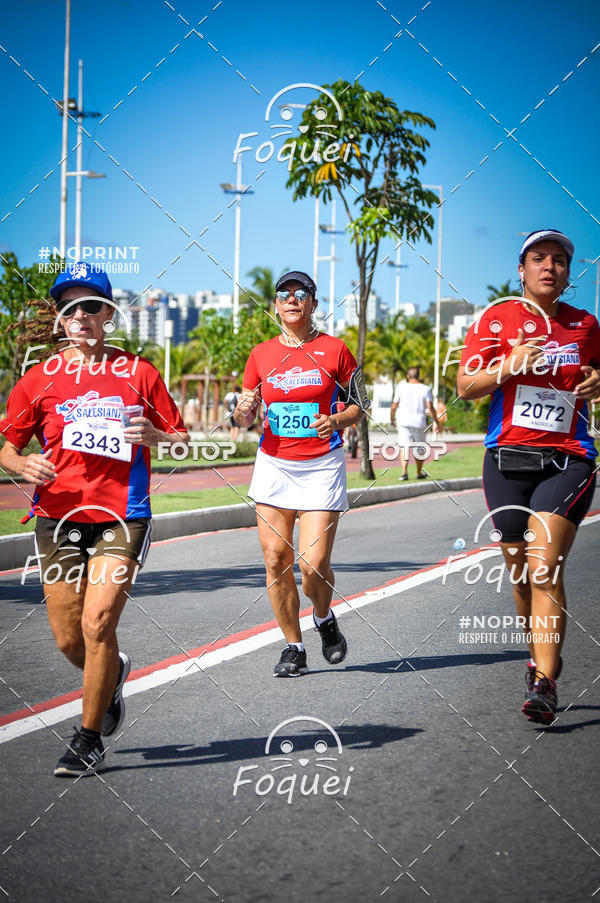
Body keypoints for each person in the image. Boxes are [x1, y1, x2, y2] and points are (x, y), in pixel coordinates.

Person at [0, 262, 188, 775]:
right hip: (58, 517)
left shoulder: (139, 373)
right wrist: (21, 464)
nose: (79, 315)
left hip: (122, 516)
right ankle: (112, 674)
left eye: (89, 306)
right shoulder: (38, 379)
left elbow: (181, 438)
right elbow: (7, 446)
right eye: (69, 307)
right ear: (60, 319)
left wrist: (156, 436)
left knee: (98, 621)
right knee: (69, 638)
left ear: (108, 315)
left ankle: (87, 740)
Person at [457, 230, 600, 724]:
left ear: (568, 273)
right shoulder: (496, 319)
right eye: (539, 258)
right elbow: (465, 385)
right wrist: (509, 364)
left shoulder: (585, 324)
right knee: (521, 579)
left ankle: (545, 681)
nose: (549, 267)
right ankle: (538, 657)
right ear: (522, 269)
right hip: (506, 462)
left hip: (568, 459)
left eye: (559, 260)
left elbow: (598, 371)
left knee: (543, 569)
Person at [233, 271, 369, 676]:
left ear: (313, 303)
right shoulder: (260, 355)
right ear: (276, 305)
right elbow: (244, 416)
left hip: (321, 466)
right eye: (284, 294)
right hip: (274, 464)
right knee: (276, 559)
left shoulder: (336, 350)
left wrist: (337, 420)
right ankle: (293, 647)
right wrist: (242, 411)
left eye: (301, 293)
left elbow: (359, 405)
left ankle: (323, 616)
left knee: (312, 565)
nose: (292, 299)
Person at [390, 367, 440, 480]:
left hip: (403, 421)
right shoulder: (425, 389)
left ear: (408, 376)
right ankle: (418, 473)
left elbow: (393, 406)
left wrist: (391, 419)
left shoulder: (401, 387)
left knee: (404, 446)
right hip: (419, 422)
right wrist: (436, 421)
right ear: (419, 376)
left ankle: (404, 473)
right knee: (420, 448)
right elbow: (430, 407)